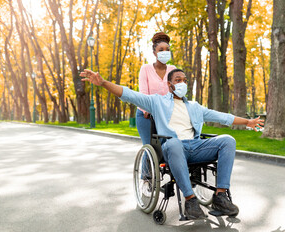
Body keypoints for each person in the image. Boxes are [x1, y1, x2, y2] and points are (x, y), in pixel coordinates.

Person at [80, 68, 264, 220]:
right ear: (169, 85)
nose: (182, 83)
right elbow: (128, 94)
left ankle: (220, 196)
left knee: (228, 141)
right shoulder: (156, 102)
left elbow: (222, 117)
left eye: (184, 80)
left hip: (195, 146)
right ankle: (190, 200)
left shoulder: (194, 106)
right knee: (174, 143)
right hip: (173, 147)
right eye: (178, 79)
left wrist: (247, 122)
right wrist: (103, 83)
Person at [137, 32, 176, 145]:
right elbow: (143, 93)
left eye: (167, 50)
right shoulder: (145, 69)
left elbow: (175, 93)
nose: (165, 52)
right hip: (147, 115)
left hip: (165, 115)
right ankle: (146, 162)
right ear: (154, 53)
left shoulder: (173, 69)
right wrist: (146, 110)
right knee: (151, 148)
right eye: (161, 50)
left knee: (168, 148)